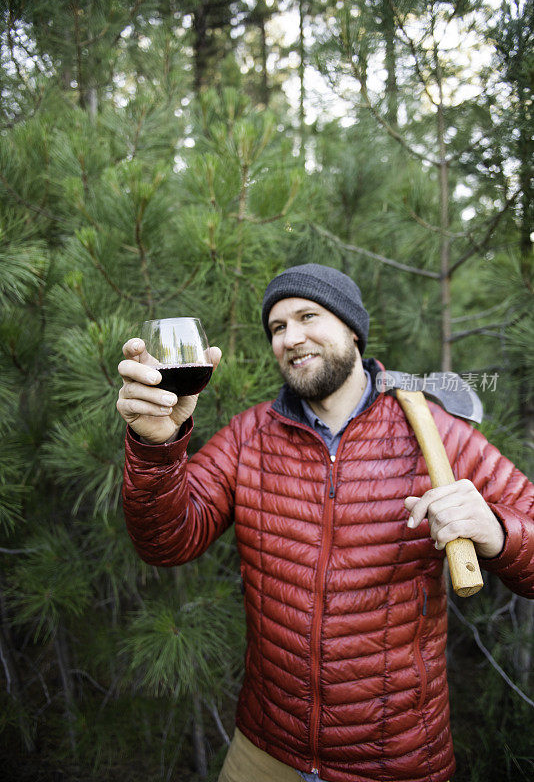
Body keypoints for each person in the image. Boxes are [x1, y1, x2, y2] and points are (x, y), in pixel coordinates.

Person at [117, 264, 534, 782]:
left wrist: (497, 532)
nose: (291, 337)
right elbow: (167, 541)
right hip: (266, 747)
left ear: (352, 328)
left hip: (393, 759)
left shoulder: (433, 433)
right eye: (277, 327)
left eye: (307, 316)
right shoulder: (249, 438)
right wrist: (155, 447)